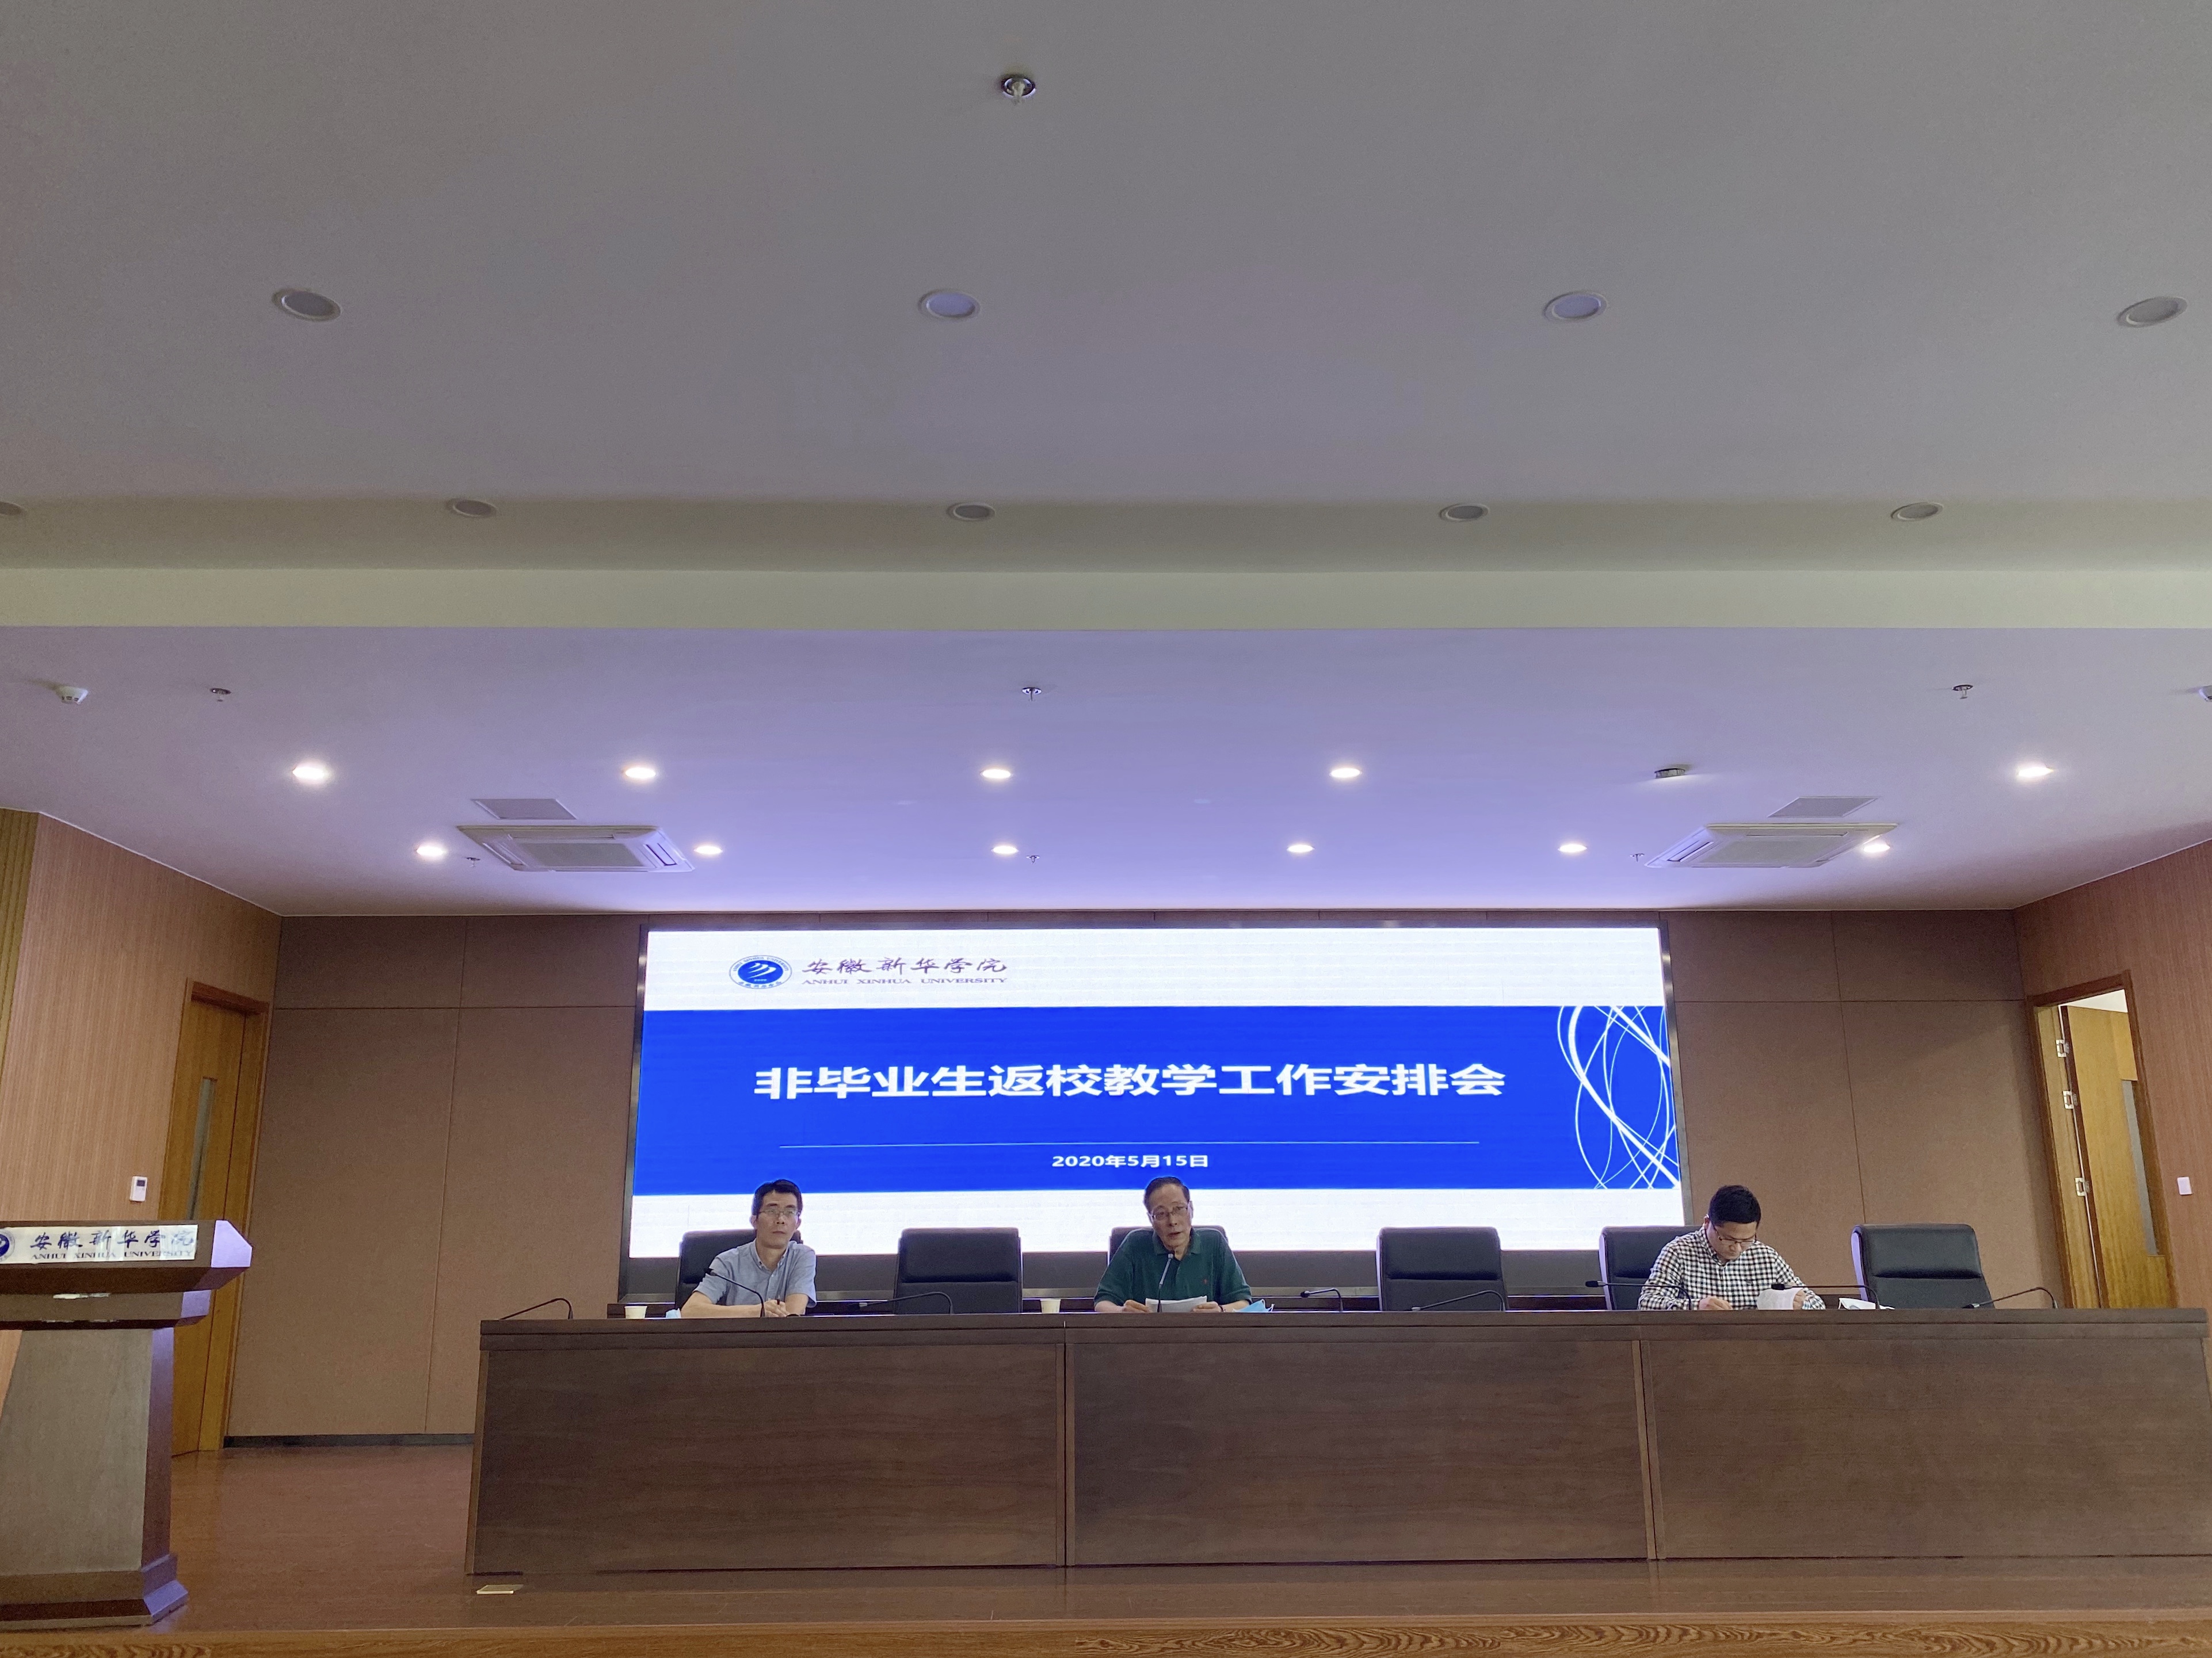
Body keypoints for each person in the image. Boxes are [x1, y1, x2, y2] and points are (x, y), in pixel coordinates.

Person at [1638, 1184, 1825, 1310]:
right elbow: (1647, 1304)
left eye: (1747, 1240)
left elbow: (1817, 1304)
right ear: (1707, 1223)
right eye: (1728, 1239)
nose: (1737, 1249)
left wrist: (1800, 1304)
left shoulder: (1766, 1257)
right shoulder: (1678, 1252)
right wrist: (1696, 1307)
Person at [1094, 1176, 1253, 1312]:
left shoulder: (1214, 1242)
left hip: (1205, 1336)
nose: (1173, 1221)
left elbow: (1243, 1302)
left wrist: (1221, 1311)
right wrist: (1121, 1312)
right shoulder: (1135, 1244)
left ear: (1191, 1209)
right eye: (1161, 1214)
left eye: (1179, 1209)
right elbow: (1103, 1302)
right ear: (1151, 1219)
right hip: (1146, 1337)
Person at [680, 1179, 816, 1317]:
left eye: (790, 1212)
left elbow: (792, 1315)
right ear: (754, 1221)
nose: (781, 1220)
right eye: (772, 1211)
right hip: (737, 1332)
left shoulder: (803, 1256)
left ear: (798, 1223)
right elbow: (690, 1311)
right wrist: (757, 1311)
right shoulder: (728, 1262)